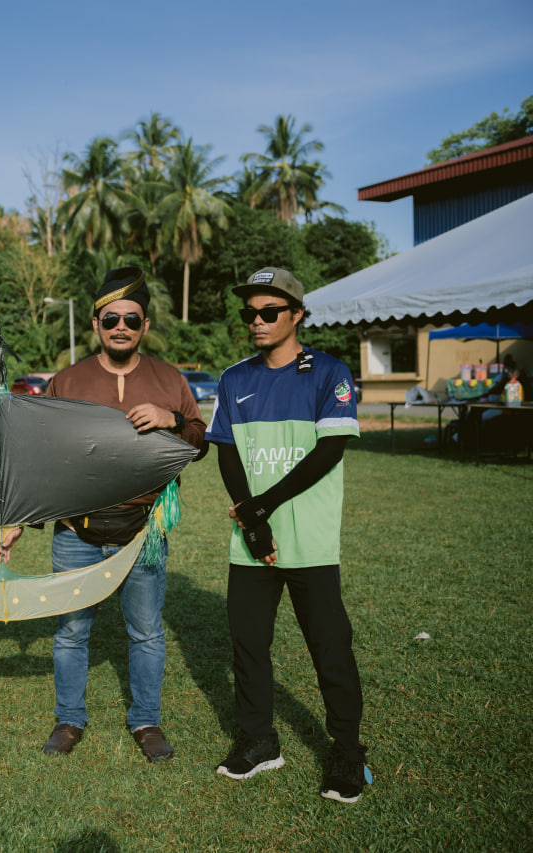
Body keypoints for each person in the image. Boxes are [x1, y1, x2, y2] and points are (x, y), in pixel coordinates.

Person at [0, 267, 206, 762]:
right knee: (71, 630)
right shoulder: (67, 381)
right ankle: (69, 719)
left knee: (147, 631)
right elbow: (41, 460)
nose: (120, 327)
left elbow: (199, 443)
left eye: (131, 320)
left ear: (145, 326)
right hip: (77, 529)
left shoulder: (169, 379)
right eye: (110, 318)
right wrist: (18, 522)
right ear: (95, 323)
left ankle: (146, 721)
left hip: (143, 532)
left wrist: (171, 419)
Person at [206, 267, 368, 803]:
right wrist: (252, 523)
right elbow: (227, 453)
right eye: (249, 312)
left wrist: (263, 506)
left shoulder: (329, 372)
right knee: (249, 646)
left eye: (269, 312)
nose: (257, 320)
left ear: (297, 315)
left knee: (331, 649)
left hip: (311, 541)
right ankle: (258, 743)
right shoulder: (234, 379)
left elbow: (329, 451)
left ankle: (347, 753)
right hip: (251, 541)